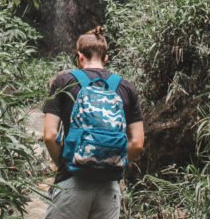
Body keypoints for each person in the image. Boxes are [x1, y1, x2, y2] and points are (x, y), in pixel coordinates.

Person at [42, 26, 145, 219]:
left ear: (80, 57)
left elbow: (49, 135)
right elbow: (137, 143)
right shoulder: (125, 87)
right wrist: (113, 164)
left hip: (71, 182)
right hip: (108, 188)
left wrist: (64, 163)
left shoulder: (64, 82)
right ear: (106, 58)